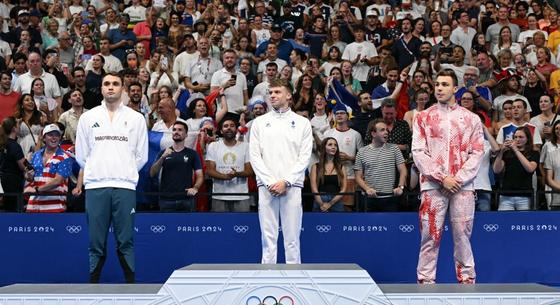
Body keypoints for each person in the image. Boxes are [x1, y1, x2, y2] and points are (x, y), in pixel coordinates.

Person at [412, 69, 484, 284]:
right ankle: (425, 282)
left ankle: (467, 282)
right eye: (437, 84)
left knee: (462, 236)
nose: (440, 88)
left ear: (455, 88)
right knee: (430, 236)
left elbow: (477, 152)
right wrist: (441, 178)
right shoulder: (423, 118)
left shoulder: (471, 119)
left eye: (445, 84)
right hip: (432, 187)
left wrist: (457, 179)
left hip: (463, 187)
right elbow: (418, 152)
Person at [75, 73, 149, 284]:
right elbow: (81, 155)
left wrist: (124, 172)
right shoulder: (88, 118)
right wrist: (97, 172)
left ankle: (131, 288)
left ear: (122, 89)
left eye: (115, 84)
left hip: (124, 186)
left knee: (126, 240)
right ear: (101, 88)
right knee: (95, 241)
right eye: (106, 84)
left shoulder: (136, 119)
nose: (110, 87)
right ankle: (93, 287)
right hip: (96, 186)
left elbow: (142, 156)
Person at [249, 77, 312, 264]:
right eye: (270, 92)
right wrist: (270, 182)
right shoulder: (259, 123)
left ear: (288, 95)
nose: (273, 95)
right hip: (266, 187)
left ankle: (294, 282)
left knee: (292, 239)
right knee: (268, 239)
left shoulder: (302, 123)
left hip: (292, 187)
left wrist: (286, 181)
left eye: (277, 92)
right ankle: (268, 280)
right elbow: (255, 156)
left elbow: (305, 157)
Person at [149, 120, 203, 212]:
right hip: (166, 200)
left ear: (186, 135)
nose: (176, 132)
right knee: (167, 226)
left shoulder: (192, 154)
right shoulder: (163, 152)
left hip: (186, 199)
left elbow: (200, 175)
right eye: (174, 130)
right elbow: (152, 173)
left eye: (180, 130)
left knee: (187, 226)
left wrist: (195, 188)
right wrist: (162, 158)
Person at [355, 119, 407, 212]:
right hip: (370, 199)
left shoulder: (394, 148)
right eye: (382, 130)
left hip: (390, 198)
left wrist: (400, 186)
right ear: (373, 134)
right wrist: (367, 189)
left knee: (391, 226)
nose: (386, 132)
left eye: (387, 130)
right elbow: (358, 176)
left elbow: (403, 170)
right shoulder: (362, 151)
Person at [206, 119, 253, 212]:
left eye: (232, 125)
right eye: (226, 126)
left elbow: (250, 171)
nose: (229, 128)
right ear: (221, 131)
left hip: (241, 196)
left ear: (236, 129)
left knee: (241, 225)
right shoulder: (213, 146)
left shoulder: (246, 146)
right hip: (219, 195)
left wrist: (236, 174)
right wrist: (226, 177)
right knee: (220, 225)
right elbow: (210, 171)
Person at [23, 124, 72, 213]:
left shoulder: (65, 157)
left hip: (54, 207)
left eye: (57, 135)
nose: (54, 138)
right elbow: (29, 178)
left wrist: (36, 190)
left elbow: (58, 181)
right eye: (50, 135)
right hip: (33, 207)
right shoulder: (36, 155)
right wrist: (28, 176)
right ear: (44, 138)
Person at [493, 126, 539, 211]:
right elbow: (496, 170)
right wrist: (501, 153)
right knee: (504, 222)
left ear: (528, 139)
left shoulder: (534, 153)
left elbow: (530, 168)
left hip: (524, 196)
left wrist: (515, 150)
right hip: (506, 195)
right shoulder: (507, 153)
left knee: (523, 223)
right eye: (515, 137)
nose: (517, 139)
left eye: (521, 137)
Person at [310, 137, 347, 212]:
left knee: (338, 223)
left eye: (335, 145)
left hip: (336, 200)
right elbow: (314, 188)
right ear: (324, 148)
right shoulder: (315, 166)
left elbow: (343, 189)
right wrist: (321, 204)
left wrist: (330, 203)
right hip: (320, 199)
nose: (333, 147)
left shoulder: (341, 167)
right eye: (330, 145)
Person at [0, 117, 27, 212]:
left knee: (7, 208)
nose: (20, 127)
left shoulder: (3, 143)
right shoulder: (15, 146)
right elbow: (23, 166)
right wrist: (30, 158)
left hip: (4, 180)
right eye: (18, 125)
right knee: (14, 209)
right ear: (14, 129)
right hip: (13, 182)